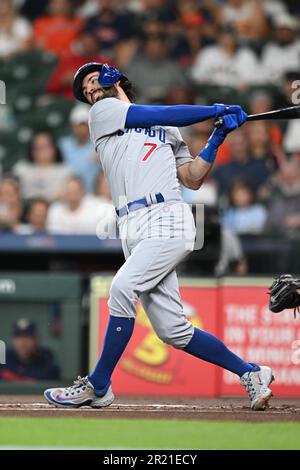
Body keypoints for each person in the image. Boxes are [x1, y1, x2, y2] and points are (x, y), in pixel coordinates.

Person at [44, 62, 274, 410]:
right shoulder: (104, 114)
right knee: (173, 331)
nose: (90, 92)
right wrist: (215, 110)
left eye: (93, 82)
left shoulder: (166, 127)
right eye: (85, 91)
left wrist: (218, 134)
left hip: (168, 215)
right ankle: (251, 373)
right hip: (131, 225)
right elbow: (161, 112)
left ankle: (98, 385)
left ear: (112, 77)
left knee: (121, 288)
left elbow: (192, 177)